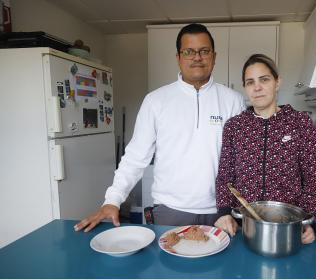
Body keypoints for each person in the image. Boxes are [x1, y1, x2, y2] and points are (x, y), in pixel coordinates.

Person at [74, 23, 245, 232]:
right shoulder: (156, 101)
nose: (197, 57)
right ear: (178, 58)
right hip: (169, 211)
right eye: (189, 51)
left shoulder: (233, 101)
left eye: (204, 51)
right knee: (166, 265)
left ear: (214, 56)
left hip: (221, 212)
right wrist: (113, 200)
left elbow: (244, 162)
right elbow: (136, 157)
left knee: (222, 265)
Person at [214, 54, 316, 244]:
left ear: (277, 82)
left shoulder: (299, 123)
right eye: (250, 82)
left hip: (289, 229)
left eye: (264, 79)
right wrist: (224, 213)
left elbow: (314, 177)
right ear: (245, 88)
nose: (257, 87)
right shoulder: (235, 126)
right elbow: (225, 176)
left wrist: (307, 220)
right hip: (243, 228)